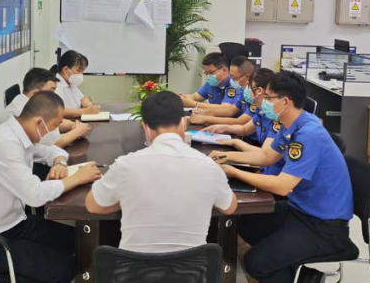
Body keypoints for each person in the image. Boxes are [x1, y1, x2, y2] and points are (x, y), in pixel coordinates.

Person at [209, 71, 353, 283]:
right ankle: (290, 264)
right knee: (247, 224)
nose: (264, 102)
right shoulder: (292, 124)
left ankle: (304, 277)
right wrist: (226, 156)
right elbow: (266, 156)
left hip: (324, 226)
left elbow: (282, 186)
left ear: (285, 101)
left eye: (268, 98)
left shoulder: (308, 134)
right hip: (301, 209)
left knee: (256, 263)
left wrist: (234, 171)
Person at [0, 91, 102, 282]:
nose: (56, 131)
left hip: (15, 224)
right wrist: (77, 178)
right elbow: (35, 195)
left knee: (80, 242)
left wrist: (59, 163)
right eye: (55, 125)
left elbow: (51, 150)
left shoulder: (21, 133)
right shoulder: (5, 144)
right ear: (39, 122)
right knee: (66, 269)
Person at [85, 91, 237, 253]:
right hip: (193, 268)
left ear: (146, 128)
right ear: (183, 123)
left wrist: (131, 199)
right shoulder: (209, 166)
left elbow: (93, 205)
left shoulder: (126, 165)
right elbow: (229, 207)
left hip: (135, 267)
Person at [203, 68, 284, 176]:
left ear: (259, 91)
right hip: (265, 168)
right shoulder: (262, 111)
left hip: (272, 173)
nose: (246, 89)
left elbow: (265, 156)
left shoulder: (275, 116)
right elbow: (245, 129)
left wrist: (235, 143)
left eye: (248, 86)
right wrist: (223, 128)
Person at [6, 68, 91, 147]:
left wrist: (72, 125)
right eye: (51, 92)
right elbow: (53, 143)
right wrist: (78, 131)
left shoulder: (31, 103)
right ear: (35, 93)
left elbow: (53, 123)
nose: (54, 96)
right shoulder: (20, 111)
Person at [189, 56, 255, 126]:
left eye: (234, 78)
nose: (231, 80)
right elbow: (230, 111)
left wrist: (206, 118)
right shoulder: (244, 91)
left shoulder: (257, 95)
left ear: (247, 76)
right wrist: (204, 112)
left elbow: (240, 121)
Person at [55, 50, 101, 118]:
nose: (81, 74)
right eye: (79, 70)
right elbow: (58, 111)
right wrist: (86, 111)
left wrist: (87, 103)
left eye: (82, 71)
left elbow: (83, 98)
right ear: (65, 69)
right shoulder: (56, 85)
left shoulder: (71, 83)